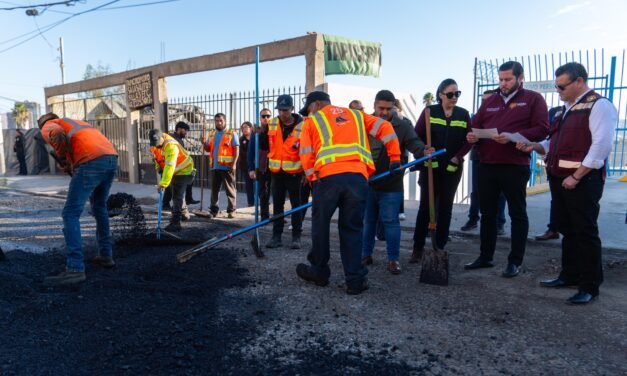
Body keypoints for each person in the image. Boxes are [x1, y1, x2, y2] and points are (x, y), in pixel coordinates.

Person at [517, 62, 617, 304]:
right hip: (560, 178)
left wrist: (577, 176)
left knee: (585, 231)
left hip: (582, 180)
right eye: (556, 86)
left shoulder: (599, 105)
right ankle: (569, 275)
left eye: (561, 86)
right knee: (567, 229)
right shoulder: (564, 110)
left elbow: (601, 147)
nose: (558, 90)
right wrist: (535, 147)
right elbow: (553, 144)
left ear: (579, 82)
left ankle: (590, 286)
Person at [295, 91, 401, 295]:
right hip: (357, 179)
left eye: (308, 110)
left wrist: (312, 180)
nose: (308, 114)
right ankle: (355, 280)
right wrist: (394, 155)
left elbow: (306, 154)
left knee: (320, 225)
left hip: (327, 178)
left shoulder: (313, 120)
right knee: (352, 228)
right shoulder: (356, 115)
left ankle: (319, 271)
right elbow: (385, 126)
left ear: (316, 104)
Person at [464, 61, 549, 278]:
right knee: (488, 214)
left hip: (514, 166)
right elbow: (476, 125)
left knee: (517, 213)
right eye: (501, 79)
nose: (503, 83)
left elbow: (542, 129)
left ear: (521, 78)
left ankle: (515, 261)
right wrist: (473, 135)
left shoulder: (533, 99)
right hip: (487, 165)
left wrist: (513, 136)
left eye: (508, 79)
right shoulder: (490, 101)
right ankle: (485, 257)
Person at [38, 113, 118, 285]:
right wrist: (70, 162)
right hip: (110, 158)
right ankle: (106, 255)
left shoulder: (49, 125)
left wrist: (61, 157)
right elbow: (75, 141)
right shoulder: (75, 123)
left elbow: (57, 135)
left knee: (70, 213)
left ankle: (75, 269)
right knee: (99, 207)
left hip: (91, 161)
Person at [361, 90, 428, 274]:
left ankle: (393, 259)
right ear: (374, 105)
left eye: (388, 109)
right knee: (368, 222)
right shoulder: (363, 123)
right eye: (380, 108)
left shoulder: (403, 126)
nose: (384, 112)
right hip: (367, 182)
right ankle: (365, 255)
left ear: (394, 107)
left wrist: (423, 152)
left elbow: (415, 144)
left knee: (391, 222)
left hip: (391, 183)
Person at [412, 79, 471, 262]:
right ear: (441, 95)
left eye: (457, 94)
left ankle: (440, 246)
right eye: (451, 94)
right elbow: (417, 136)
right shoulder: (430, 112)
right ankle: (418, 247)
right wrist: (424, 150)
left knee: (445, 208)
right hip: (431, 168)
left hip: (452, 168)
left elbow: (468, 140)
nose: (454, 98)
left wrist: (458, 156)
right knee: (425, 208)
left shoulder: (463, 114)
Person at [461, 90, 507, 235]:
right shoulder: (476, 116)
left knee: (499, 193)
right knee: (476, 192)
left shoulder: (503, 116)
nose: (485, 103)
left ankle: (499, 223)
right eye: (483, 100)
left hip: (497, 158)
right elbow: (468, 134)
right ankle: (473, 219)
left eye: (488, 100)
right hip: (478, 157)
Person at [265, 95, 306, 249]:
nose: (282, 113)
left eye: (286, 110)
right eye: (280, 110)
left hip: (295, 172)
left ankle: (296, 237)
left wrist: (306, 173)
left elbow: (307, 151)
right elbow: (266, 146)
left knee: (296, 205)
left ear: (292, 109)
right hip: (276, 172)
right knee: (277, 205)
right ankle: (276, 237)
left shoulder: (303, 125)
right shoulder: (272, 123)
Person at [149, 129, 195, 232]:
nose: (156, 145)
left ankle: (176, 222)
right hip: (173, 170)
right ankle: (184, 213)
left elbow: (170, 166)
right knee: (176, 193)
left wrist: (163, 184)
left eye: (157, 143)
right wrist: (158, 168)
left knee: (177, 195)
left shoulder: (171, 146)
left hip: (184, 170)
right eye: (154, 144)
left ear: (162, 137)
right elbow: (157, 158)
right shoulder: (155, 145)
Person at [202, 113, 239, 219]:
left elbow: (236, 149)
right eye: (216, 121)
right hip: (215, 166)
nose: (218, 123)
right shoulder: (212, 133)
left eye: (220, 121)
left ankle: (232, 210)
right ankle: (214, 210)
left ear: (225, 121)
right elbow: (208, 149)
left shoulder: (232, 133)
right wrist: (204, 144)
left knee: (230, 189)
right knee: (214, 190)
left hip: (227, 167)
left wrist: (234, 164)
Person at [535, 106, 563, 241]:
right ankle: (553, 229)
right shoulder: (555, 112)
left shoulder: (594, 107)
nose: (558, 90)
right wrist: (534, 145)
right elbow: (549, 141)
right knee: (556, 200)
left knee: (578, 208)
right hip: (555, 167)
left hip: (580, 171)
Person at [162, 121, 199, 209]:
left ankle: (188, 198)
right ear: (179, 129)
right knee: (170, 187)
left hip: (181, 167)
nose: (186, 133)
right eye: (185, 130)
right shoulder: (173, 139)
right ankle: (165, 204)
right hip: (173, 167)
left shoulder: (179, 139)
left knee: (189, 180)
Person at [248, 108, 272, 220]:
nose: (266, 118)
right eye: (263, 116)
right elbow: (251, 151)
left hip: (275, 165)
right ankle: (264, 215)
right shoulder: (255, 132)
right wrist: (251, 168)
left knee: (277, 192)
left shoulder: (275, 129)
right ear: (260, 118)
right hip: (261, 166)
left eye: (268, 116)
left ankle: (278, 215)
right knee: (263, 192)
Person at [238, 121, 254, 207]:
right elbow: (242, 153)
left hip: (256, 165)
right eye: (242, 128)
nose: (244, 129)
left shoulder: (255, 138)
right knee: (249, 185)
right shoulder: (241, 139)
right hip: (245, 165)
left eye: (246, 127)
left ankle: (263, 201)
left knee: (261, 184)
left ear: (251, 128)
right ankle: (251, 202)